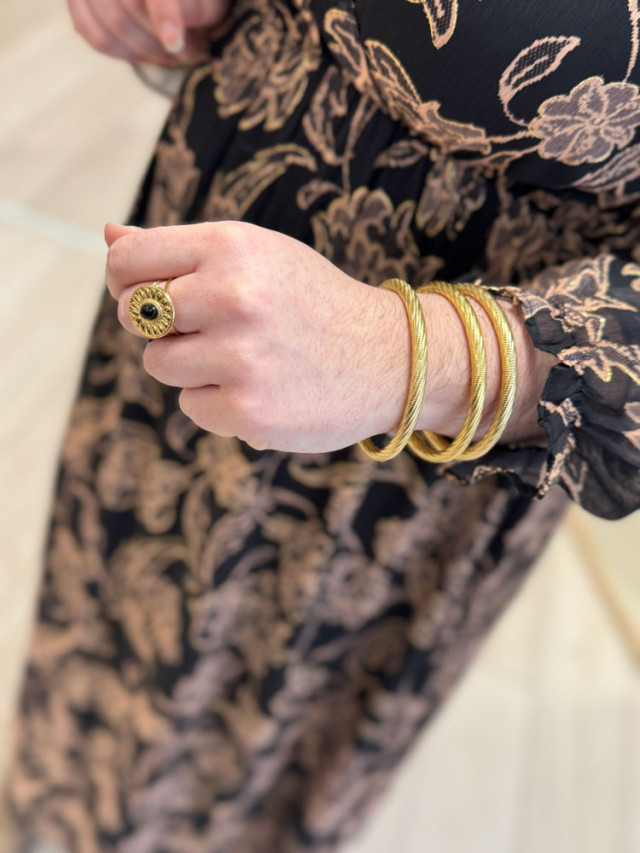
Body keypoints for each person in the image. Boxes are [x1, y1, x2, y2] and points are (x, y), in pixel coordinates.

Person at [6, 0, 640, 850]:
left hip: (433, 430)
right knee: (103, 628)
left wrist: (403, 356)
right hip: (207, 255)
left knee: (257, 730)